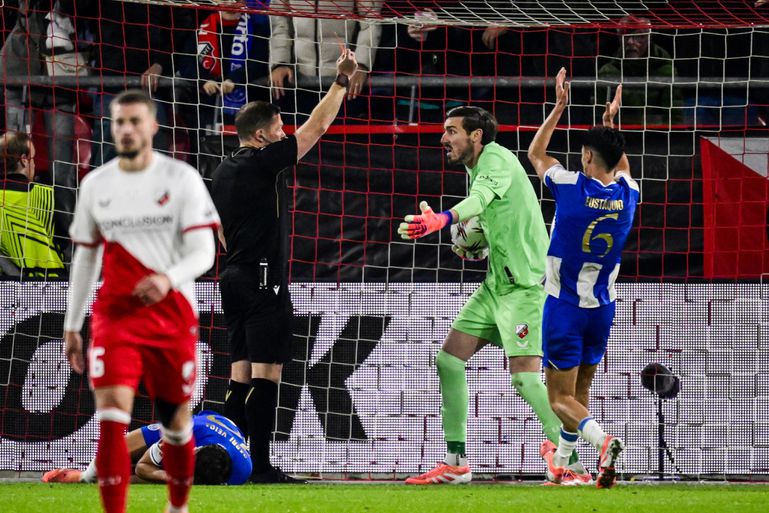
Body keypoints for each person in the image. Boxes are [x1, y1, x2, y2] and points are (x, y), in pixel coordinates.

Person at [397, 106, 591, 486]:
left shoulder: (498, 160)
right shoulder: (476, 169)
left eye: (451, 131)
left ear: (476, 136)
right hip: (495, 287)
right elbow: (487, 220)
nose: (443, 139)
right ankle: (456, 461)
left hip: (525, 286)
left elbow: (480, 200)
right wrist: (470, 241)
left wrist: (444, 219)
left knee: (525, 378)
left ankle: (574, 463)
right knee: (449, 360)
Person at [63, 89, 220, 513]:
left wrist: (168, 279)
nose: (127, 130)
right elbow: (86, 257)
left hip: (172, 316)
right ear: (110, 128)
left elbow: (204, 253)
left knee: (175, 424)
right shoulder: (96, 184)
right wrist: (72, 324)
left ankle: (177, 507)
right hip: (117, 316)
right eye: (119, 122)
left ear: (152, 125)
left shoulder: (181, 178)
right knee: (110, 421)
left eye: (135, 121)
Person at [211, 47, 358, 483]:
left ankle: (223, 462)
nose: (284, 133)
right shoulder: (261, 163)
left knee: (239, 377)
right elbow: (317, 129)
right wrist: (341, 81)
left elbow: (219, 231)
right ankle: (259, 466)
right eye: (278, 128)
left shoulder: (220, 171)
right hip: (261, 280)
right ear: (260, 136)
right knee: (267, 375)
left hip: (231, 277)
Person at [527, 68, 638, 488]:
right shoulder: (629, 194)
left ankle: (603, 440)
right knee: (579, 390)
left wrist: (559, 106)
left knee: (558, 397)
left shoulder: (572, 187)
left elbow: (537, 153)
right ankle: (568, 462)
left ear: (588, 158)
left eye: (583, 153)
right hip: (603, 308)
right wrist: (612, 128)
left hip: (565, 308)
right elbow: (621, 166)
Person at [42, 411, 251, 485]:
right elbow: (144, 467)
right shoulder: (186, 430)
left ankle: (93, 479)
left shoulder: (241, 472)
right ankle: (86, 475)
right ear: (194, 451)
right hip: (201, 424)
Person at [269, 0, 382, 120]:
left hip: (345, 84)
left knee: (341, 136)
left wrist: (361, 64)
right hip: (298, 82)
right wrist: (280, 63)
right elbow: (280, 22)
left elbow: (370, 21)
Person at [0, 131, 66, 277]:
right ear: (24, 160)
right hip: (52, 289)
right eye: (33, 159)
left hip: (4, 291)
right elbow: (69, 244)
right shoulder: (49, 195)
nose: (34, 164)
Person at [597, 16, 682, 127]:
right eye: (626, 37)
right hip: (618, 134)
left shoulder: (665, 71)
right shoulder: (608, 72)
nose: (631, 42)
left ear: (649, 38)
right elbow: (598, 114)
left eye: (638, 36)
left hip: (657, 136)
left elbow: (674, 116)